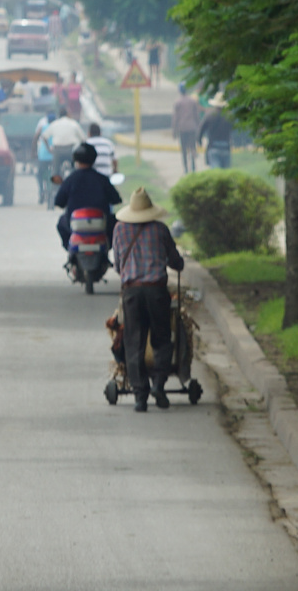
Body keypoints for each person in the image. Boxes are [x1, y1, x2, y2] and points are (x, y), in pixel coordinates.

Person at [112, 187, 186, 412]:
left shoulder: (119, 229)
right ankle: (159, 385)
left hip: (132, 293)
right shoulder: (161, 230)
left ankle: (140, 396)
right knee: (162, 339)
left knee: (133, 342)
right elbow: (175, 261)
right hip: (156, 292)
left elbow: (117, 264)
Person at [52, 142, 122, 252]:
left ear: (76, 160)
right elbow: (116, 200)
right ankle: (106, 248)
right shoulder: (102, 179)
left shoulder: (70, 180)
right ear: (94, 159)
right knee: (116, 222)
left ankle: (70, 250)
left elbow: (59, 202)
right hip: (101, 225)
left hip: (75, 225)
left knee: (61, 223)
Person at [43, 107, 87, 174]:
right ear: (67, 114)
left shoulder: (54, 124)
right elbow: (83, 139)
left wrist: (48, 148)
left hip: (57, 150)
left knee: (55, 171)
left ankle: (56, 183)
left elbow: (44, 137)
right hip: (71, 150)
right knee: (75, 171)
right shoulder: (73, 123)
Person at [172, 84, 202, 174]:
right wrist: (199, 126)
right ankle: (193, 165)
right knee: (192, 146)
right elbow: (197, 115)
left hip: (182, 128)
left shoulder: (178, 102)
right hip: (192, 127)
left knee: (184, 149)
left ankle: (185, 168)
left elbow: (175, 118)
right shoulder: (192, 101)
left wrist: (174, 131)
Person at [201, 93, 233, 169]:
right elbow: (233, 129)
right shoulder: (229, 116)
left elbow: (202, 128)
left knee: (216, 173)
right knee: (226, 174)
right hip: (226, 147)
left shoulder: (210, 115)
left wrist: (199, 140)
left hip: (213, 147)